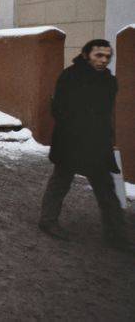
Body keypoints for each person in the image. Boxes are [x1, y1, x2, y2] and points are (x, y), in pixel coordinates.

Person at [39, 39, 133, 252]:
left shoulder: (109, 81)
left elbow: (107, 114)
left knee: (106, 189)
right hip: (71, 140)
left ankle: (116, 235)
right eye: (98, 55)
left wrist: (108, 138)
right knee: (61, 181)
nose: (103, 60)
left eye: (107, 56)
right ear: (85, 55)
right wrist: (75, 128)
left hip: (97, 144)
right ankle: (48, 220)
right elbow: (58, 109)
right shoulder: (70, 76)